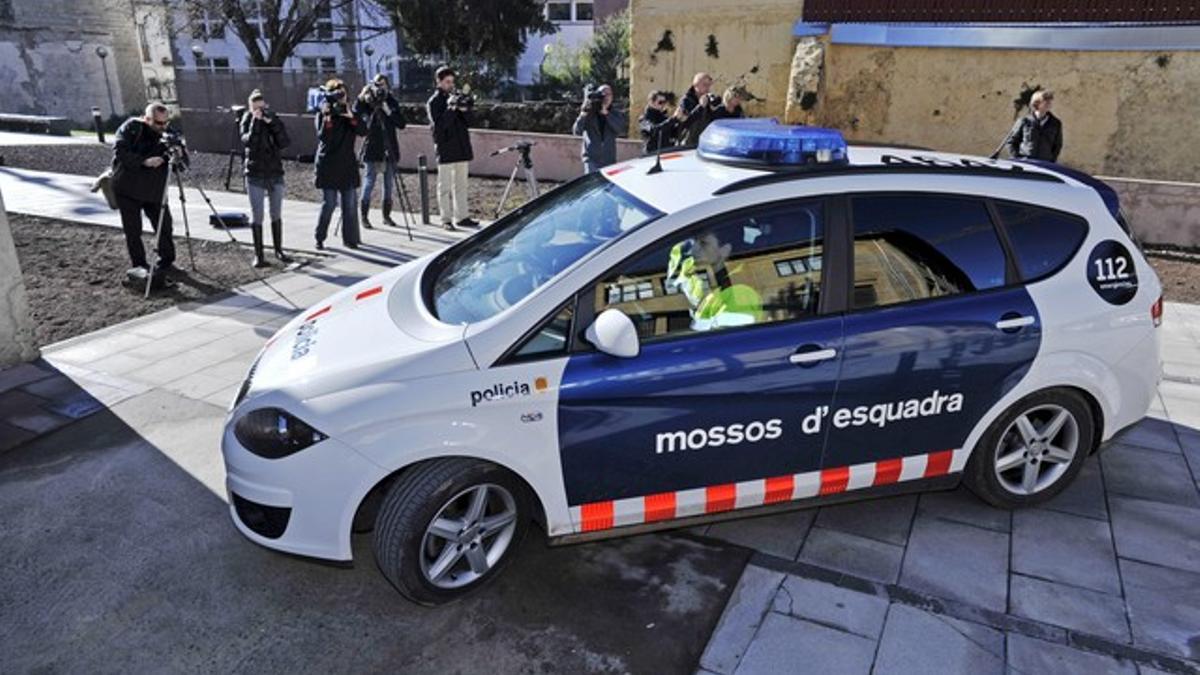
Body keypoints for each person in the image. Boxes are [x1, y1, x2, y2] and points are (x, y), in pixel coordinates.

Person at [110, 102, 175, 273]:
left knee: (164, 225)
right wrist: (144, 162)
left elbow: (181, 164)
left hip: (154, 189)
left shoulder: (167, 134)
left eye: (165, 122)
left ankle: (167, 260)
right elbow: (120, 152)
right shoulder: (130, 128)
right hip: (128, 187)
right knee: (133, 229)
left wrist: (178, 155)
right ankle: (139, 266)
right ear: (146, 119)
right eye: (158, 123)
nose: (162, 127)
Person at [240, 89, 291, 267]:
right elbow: (248, 142)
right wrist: (255, 121)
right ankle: (259, 255)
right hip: (255, 173)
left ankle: (279, 250)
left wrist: (272, 124)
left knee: (276, 213)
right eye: (256, 109)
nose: (260, 112)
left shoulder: (273, 118)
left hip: (275, 172)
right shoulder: (247, 119)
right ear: (251, 108)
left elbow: (284, 142)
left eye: (262, 108)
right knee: (257, 215)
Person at [314, 78, 366, 250]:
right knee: (329, 204)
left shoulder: (350, 112)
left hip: (347, 164)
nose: (341, 98)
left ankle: (350, 240)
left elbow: (363, 131)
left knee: (349, 205)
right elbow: (324, 138)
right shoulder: (323, 113)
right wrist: (328, 117)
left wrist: (351, 116)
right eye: (338, 94)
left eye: (343, 94)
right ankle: (319, 237)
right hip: (328, 164)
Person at [427, 66, 477, 230]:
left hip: (461, 147)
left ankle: (462, 216)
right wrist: (451, 108)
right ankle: (446, 219)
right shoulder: (434, 102)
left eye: (452, 82)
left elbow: (469, 122)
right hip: (446, 148)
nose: (450, 85)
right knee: (445, 187)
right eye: (447, 82)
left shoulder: (456, 97)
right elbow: (440, 126)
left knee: (461, 185)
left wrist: (465, 108)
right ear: (439, 82)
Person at [354, 74, 407, 228]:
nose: (381, 88)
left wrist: (387, 110)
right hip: (372, 147)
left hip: (389, 147)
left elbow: (401, 123)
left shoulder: (390, 101)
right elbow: (356, 114)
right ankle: (364, 217)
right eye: (378, 85)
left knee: (389, 184)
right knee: (369, 181)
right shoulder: (367, 101)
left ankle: (386, 216)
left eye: (383, 85)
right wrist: (363, 98)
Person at [572, 84, 626, 173]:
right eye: (603, 94)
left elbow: (620, 129)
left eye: (609, 94)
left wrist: (607, 114)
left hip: (609, 160)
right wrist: (583, 115)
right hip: (591, 159)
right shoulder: (590, 113)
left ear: (612, 97)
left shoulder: (616, 113)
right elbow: (576, 131)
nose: (606, 97)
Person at [999, 89, 1063, 162]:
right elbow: (1011, 141)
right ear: (1037, 103)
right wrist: (1018, 158)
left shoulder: (1055, 123)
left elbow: (1057, 145)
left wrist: (1051, 160)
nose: (1049, 103)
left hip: (1045, 164)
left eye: (1050, 101)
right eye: (1046, 101)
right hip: (1026, 163)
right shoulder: (1024, 121)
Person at [675, 72, 715, 147]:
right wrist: (700, 107)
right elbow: (686, 121)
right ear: (696, 85)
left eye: (709, 85)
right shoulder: (686, 100)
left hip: (702, 141)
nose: (708, 88)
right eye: (705, 85)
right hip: (687, 143)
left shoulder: (705, 98)